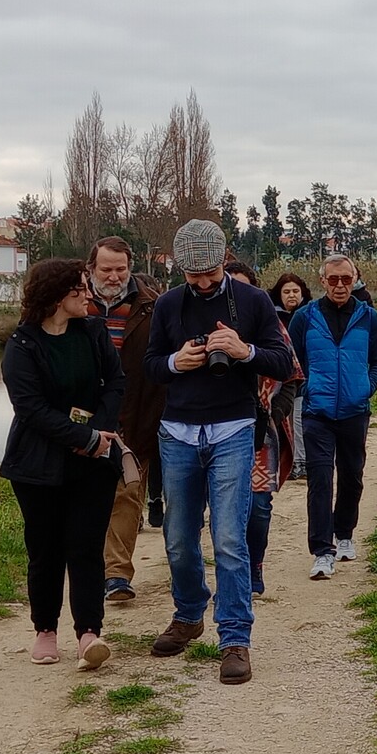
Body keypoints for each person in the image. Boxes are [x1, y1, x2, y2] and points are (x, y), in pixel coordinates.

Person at [143, 220, 294, 685]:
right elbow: (150, 366)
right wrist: (175, 362)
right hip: (178, 432)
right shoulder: (168, 304)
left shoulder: (252, 301)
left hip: (233, 428)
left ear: (224, 257)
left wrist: (244, 351)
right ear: (179, 269)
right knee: (178, 537)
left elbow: (285, 363)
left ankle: (234, 639)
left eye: (210, 273)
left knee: (229, 538)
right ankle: (189, 615)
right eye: (194, 277)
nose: (204, 283)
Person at [0, 258, 123, 671]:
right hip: (37, 467)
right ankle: (45, 631)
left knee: (86, 548)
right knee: (45, 550)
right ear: (56, 295)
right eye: (80, 289)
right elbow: (30, 409)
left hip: (93, 463)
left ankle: (89, 632)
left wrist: (99, 435)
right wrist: (82, 438)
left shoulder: (93, 332)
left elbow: (115, 383)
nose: (89, 295)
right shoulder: (22, 345)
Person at [287, 253, 377, 579]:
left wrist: (364, 389)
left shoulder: (368, 317)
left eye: (347, 279)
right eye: (334, 280)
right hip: (317, 412)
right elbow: (295, 363)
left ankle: (344, 534)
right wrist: (309, 390)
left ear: (355, 279)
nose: (341, 285)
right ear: (323, 281)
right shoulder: (304, 317)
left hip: (354, 411)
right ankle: (321, 550)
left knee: (351, 475)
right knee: (319, 480)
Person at [86, 237, 163, 608]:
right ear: (91, 269)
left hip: (135, 415)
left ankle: (117, 574)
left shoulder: (151, 306)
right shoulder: (72, 302)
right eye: (107, 269)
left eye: (121, 269)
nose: (114, 277)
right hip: (81, 417)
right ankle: (87, 566)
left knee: (127, 493)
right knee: (83, 495)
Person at [225, 263, 295, 598]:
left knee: (257, 506)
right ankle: (231, 574)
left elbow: (293, 376)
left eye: (244, 287)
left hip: (261, 429)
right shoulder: (210, 327)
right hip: (220, 426)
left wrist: (275, 411)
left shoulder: (272, 326)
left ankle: (254, 565)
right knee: (225, 507)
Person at [269, 272, 312, 479]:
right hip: (277, 377)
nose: (292, 295)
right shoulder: (270, 317)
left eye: (296, 291)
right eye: (286, 292)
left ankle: (301, 462)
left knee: (299, 419)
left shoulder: (310, 315)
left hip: (305, 376)